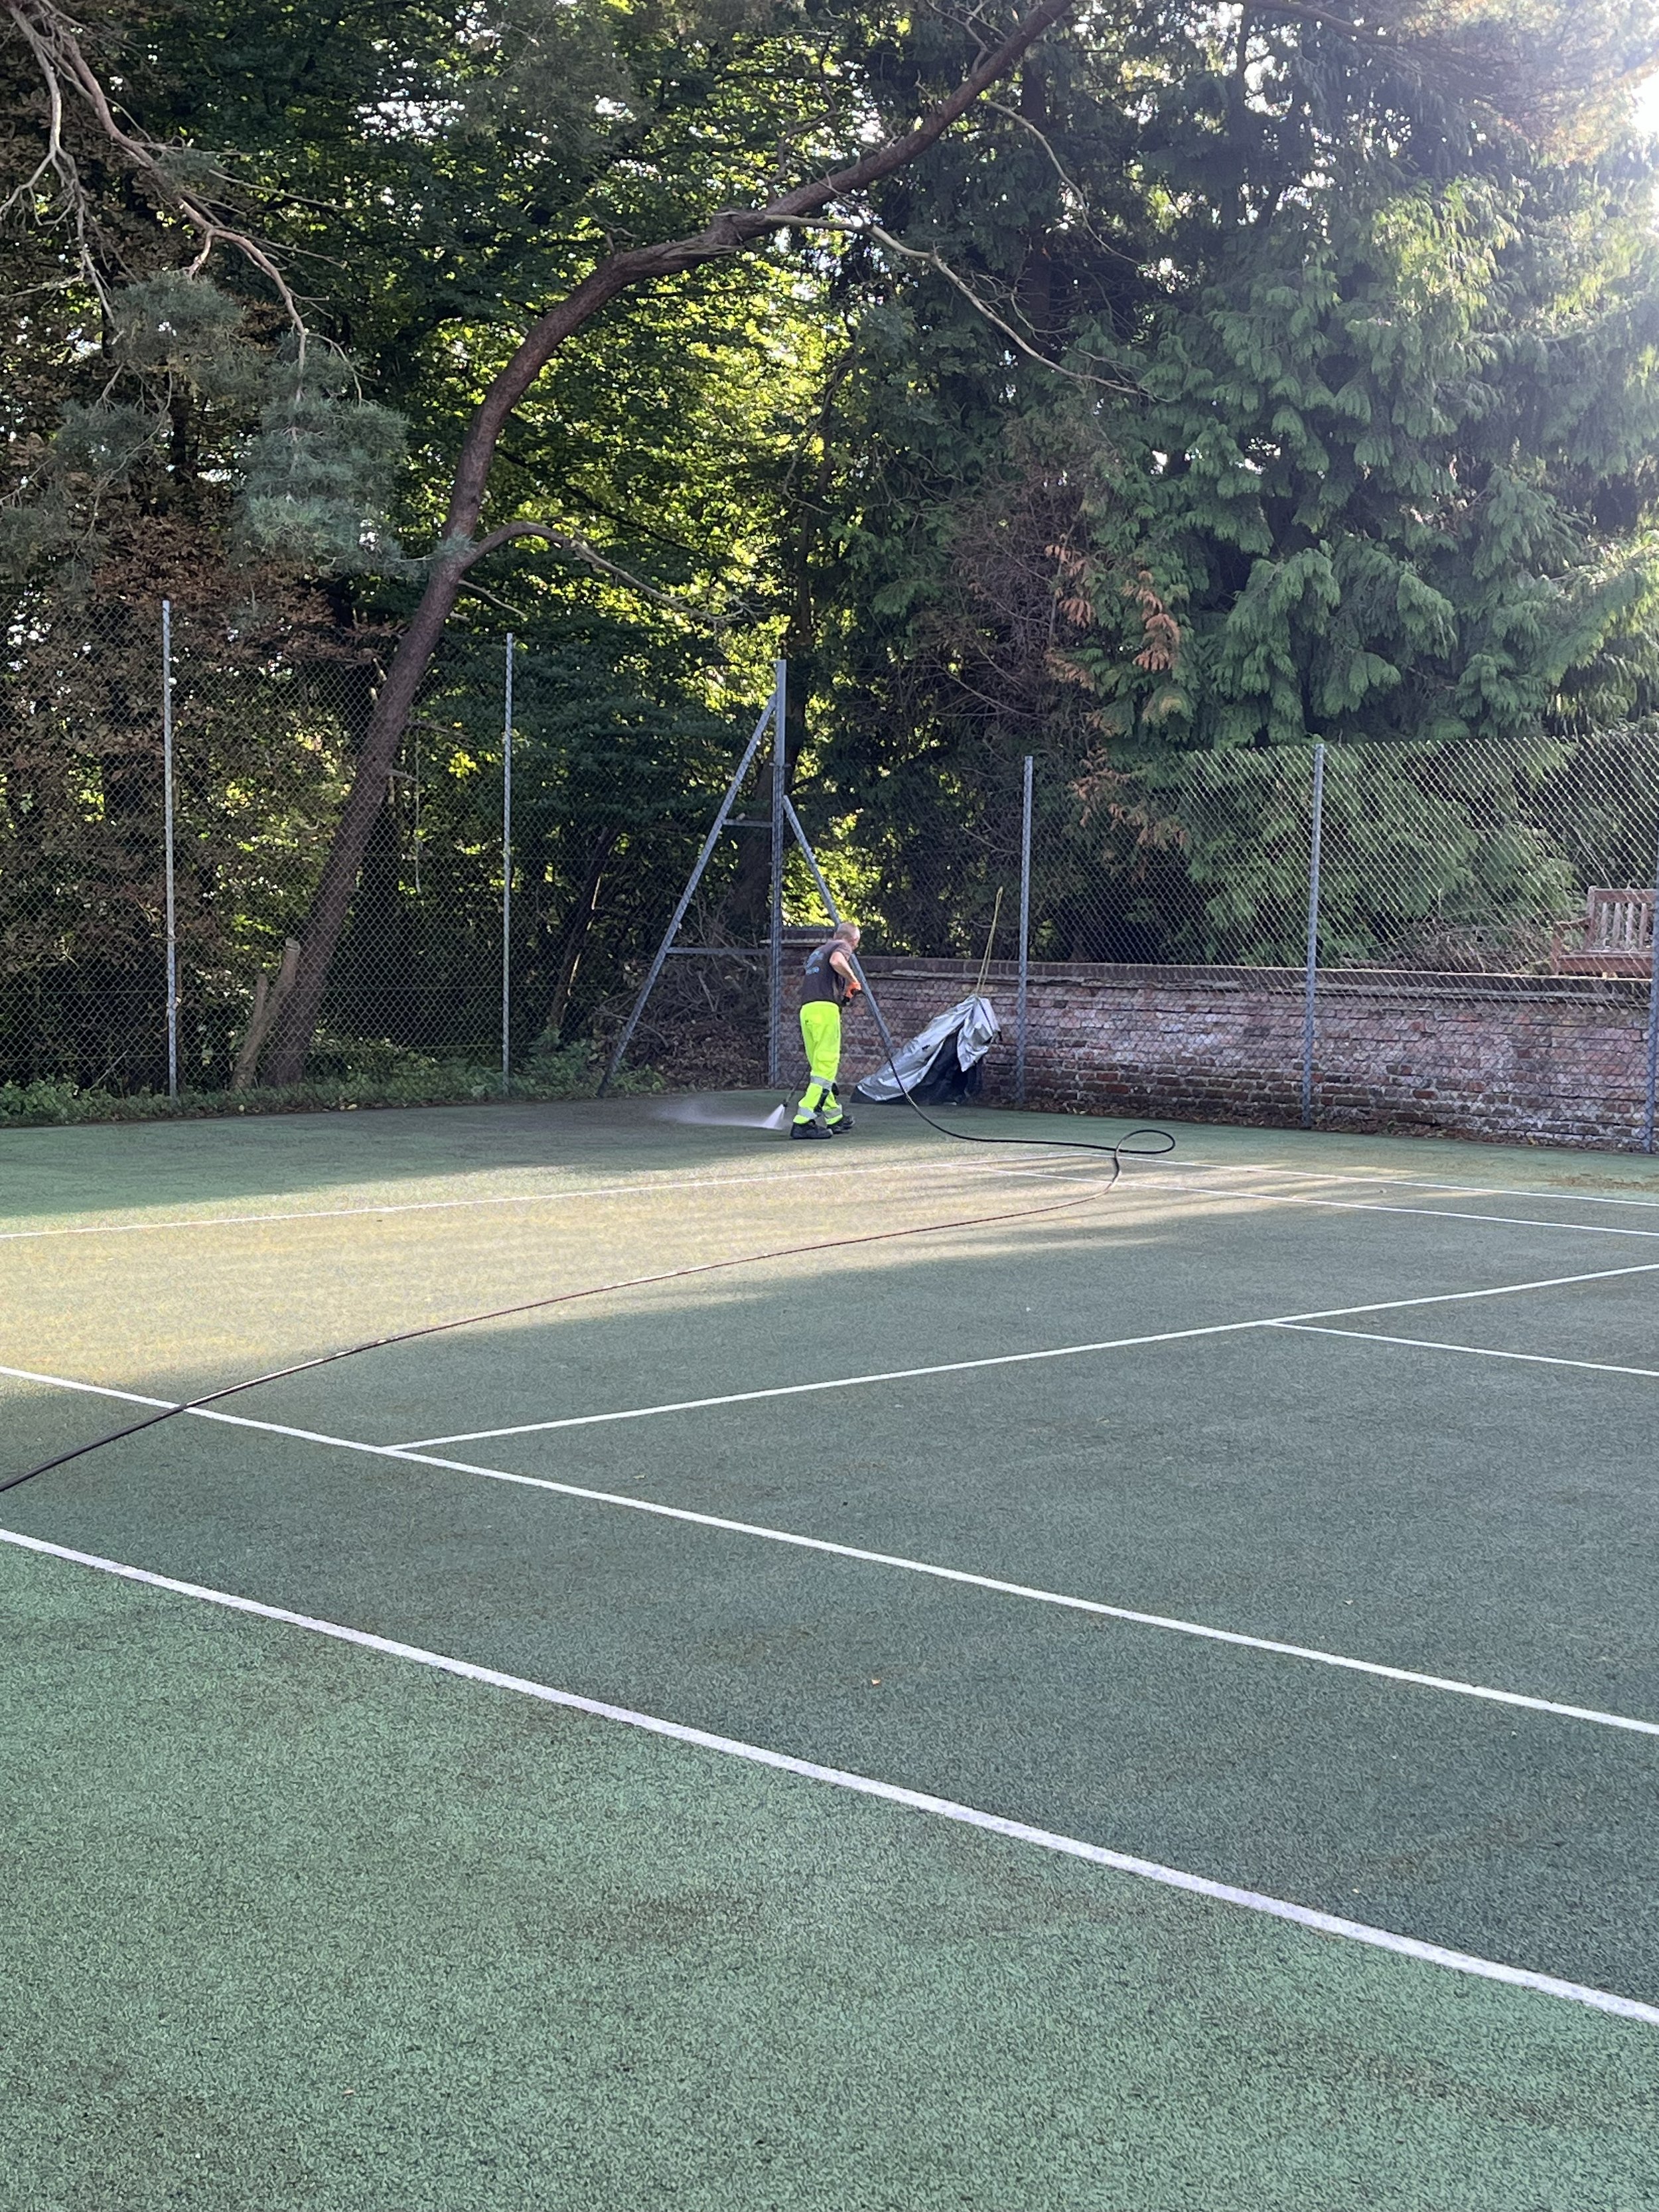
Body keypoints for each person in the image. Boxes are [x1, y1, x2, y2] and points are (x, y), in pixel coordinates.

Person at [792, 920, 863, 1138]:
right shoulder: (841, 947)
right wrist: (853, 981)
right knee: (825, 1070)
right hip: (824, 1011)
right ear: (853, 940)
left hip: (808, 1010)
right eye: (856, 944)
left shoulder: (818, 952)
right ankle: (803, 1122)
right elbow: (837, 961)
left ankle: (834, 1117)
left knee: (819, 1069)